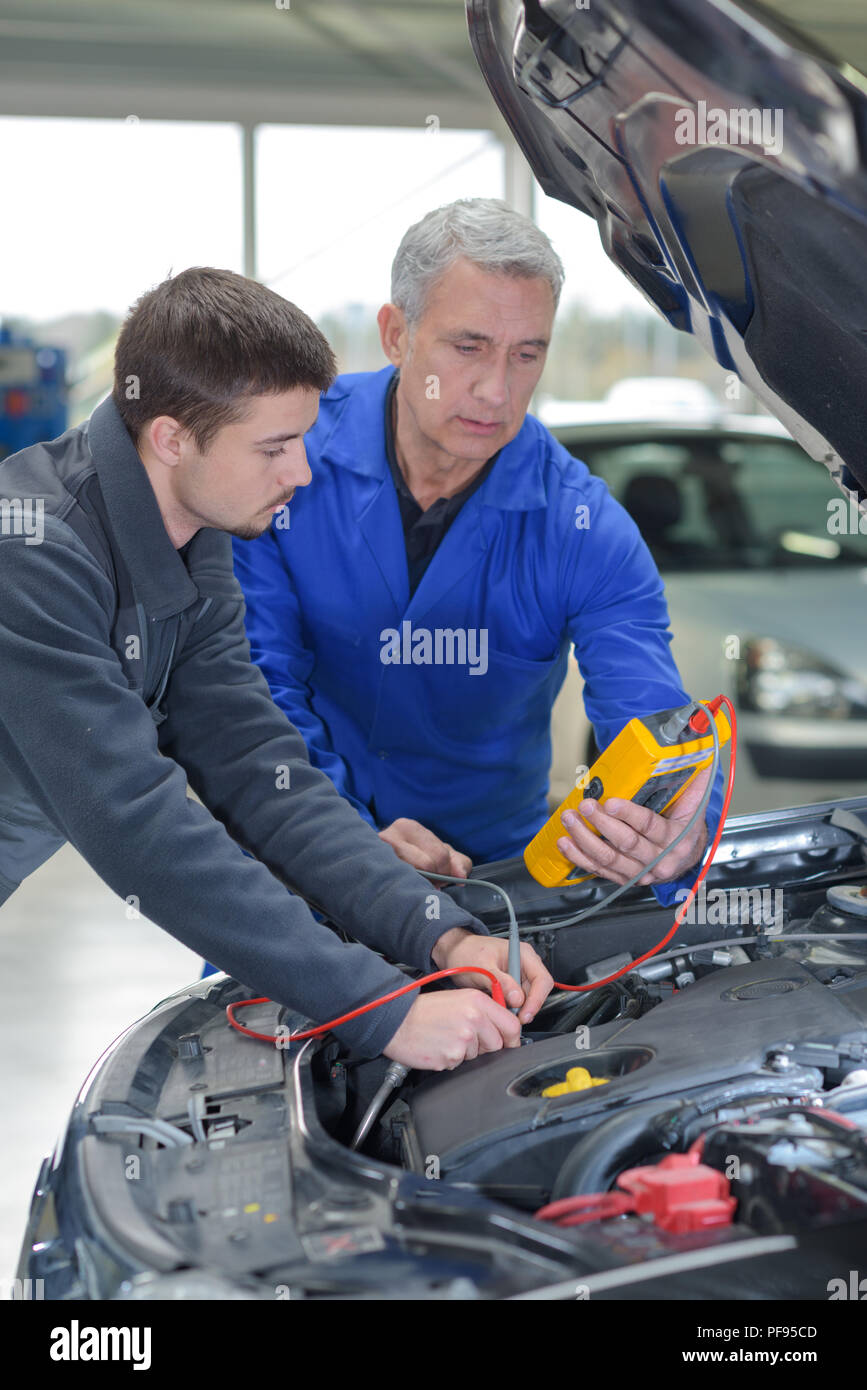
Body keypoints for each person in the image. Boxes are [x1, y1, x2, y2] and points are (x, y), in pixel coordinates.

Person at [0, 266, 553, 1072]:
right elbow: (141, 831)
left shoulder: (194, 530)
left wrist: (440, 933)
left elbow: (259, 767)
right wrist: (383, 1012)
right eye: (274, 446)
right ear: (169, 437)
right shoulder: (33, 554)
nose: (300, 472)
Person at [233, 199, 722, 900]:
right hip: (289, 864)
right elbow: (253, 689)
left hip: (494, 886)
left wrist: (678, 819)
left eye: (526, 355)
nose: (496, 390)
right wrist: (338, 836)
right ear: (396, 334)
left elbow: (652, 721)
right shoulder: (286, 460)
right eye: (468, 347)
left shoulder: (584, 529)